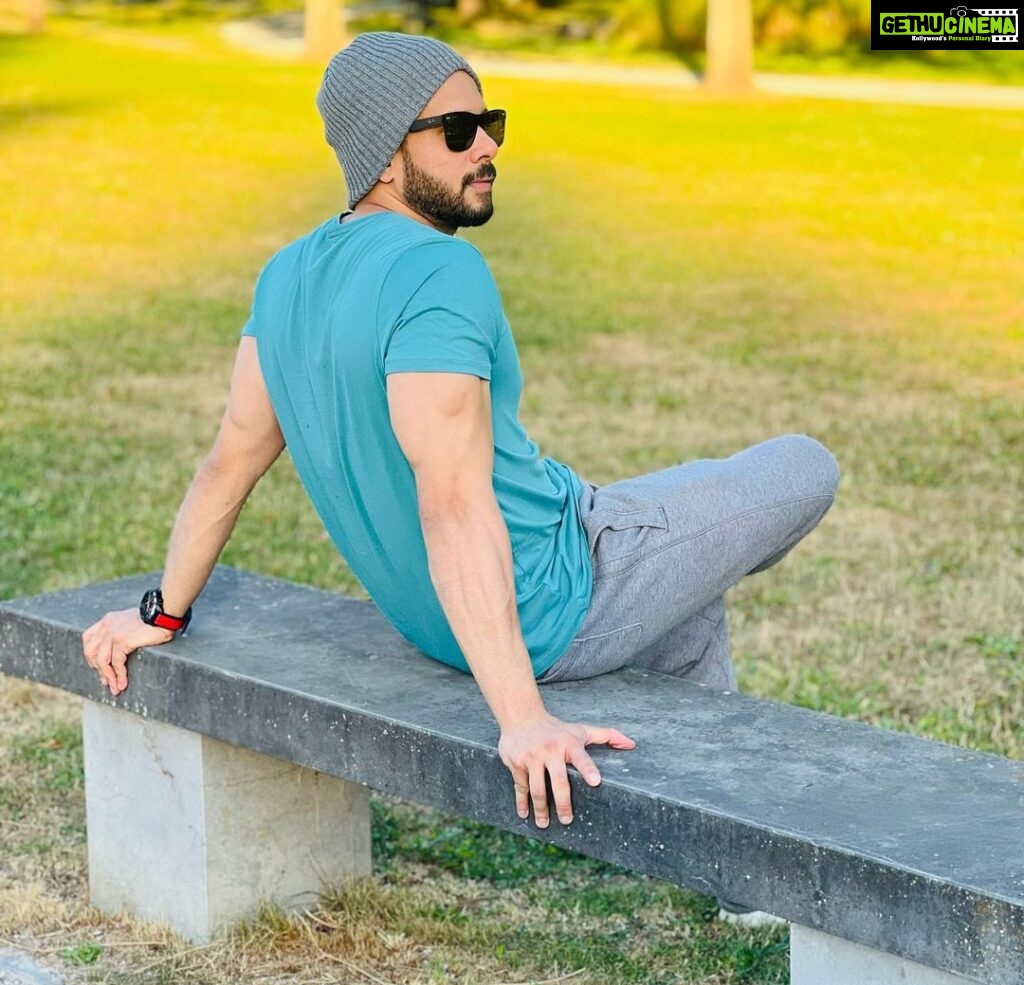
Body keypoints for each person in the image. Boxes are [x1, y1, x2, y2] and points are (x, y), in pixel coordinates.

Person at [82, 33, 839, 926]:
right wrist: (520, 718)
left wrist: (161, 612)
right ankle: (732, 859)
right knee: (802, 467)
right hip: (565, 589)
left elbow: (228, 463)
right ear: (383, 150)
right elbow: (451, 500)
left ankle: (740, 876)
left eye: (491, 123)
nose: (486, 145)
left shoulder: (286, 275)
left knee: (686, 604)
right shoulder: (440, 271)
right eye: (457, 129)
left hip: (436, 623)